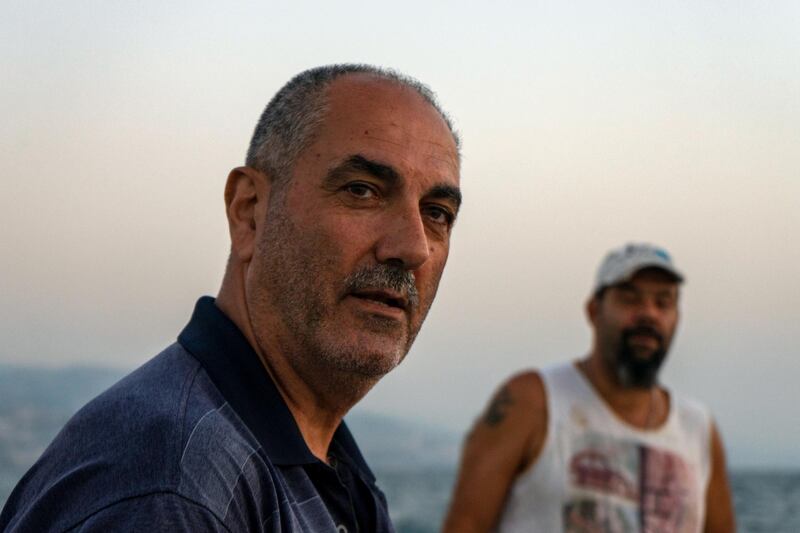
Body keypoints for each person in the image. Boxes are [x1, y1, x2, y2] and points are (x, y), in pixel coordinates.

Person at [1, 64, 462, 532]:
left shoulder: (318, 462)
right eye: (362, 190)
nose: (412, 247)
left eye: (437, 214)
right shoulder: (175, 491)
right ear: (249, 213)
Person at [444, 243, 736, 532]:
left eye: (663, 302)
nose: (649, 314)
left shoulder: (697, 429)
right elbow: (466, 524)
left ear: (677, 318)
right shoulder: (531, 401)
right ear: (594, 311)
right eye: (630, 299)